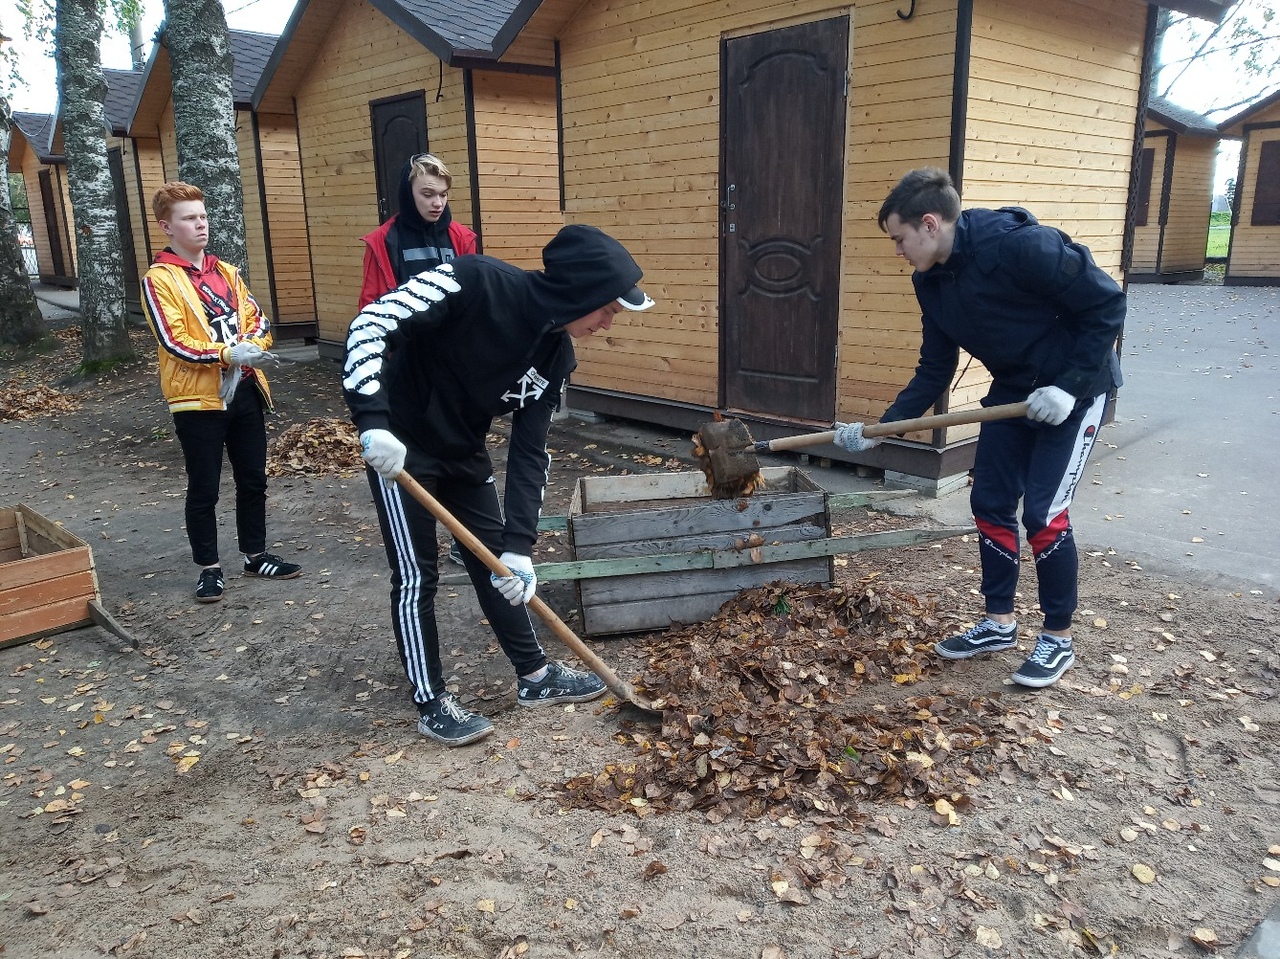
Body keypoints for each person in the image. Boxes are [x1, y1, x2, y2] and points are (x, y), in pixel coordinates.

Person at [343, 223, 655, 745]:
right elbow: (372, 324)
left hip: (463, 449)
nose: (607, 323)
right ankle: (431, 701)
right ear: (582, 291)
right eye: (608, 310)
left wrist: (520, 548)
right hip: (400, 447)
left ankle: (535, 677)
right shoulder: (474, 280)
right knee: (417, 575)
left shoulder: (555, 355)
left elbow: (531, 452)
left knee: (496, 564)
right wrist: (373, 419)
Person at [834, 168, 1124, 688]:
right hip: (1013, 393)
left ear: (929, 223)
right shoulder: (931, 282)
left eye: (899, 239)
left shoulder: (1022, 248)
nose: (898, 251)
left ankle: (1057, 638)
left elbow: (1106, 304)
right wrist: (881, 429)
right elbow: (934, 368)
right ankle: (998, 624)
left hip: (1076, 389)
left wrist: (1069, 385)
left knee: (1044, 513)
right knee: (989, 503)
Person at [141, 181, 302, 603]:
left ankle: (255, 554)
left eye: (203, 216)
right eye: (189, 218)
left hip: (246, 391)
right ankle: (208, 568)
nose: (201, 224)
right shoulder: (158, 280)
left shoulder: (228, 271)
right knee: (204, 487)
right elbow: (173, 341)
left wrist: (252, 348)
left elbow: (259, 321)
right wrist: (228, 354)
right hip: (197, 401)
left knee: (253, 479)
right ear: (167, 227)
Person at [359, 152, 477, 567]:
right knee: (415, 456)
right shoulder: (385, 240)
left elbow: (475, 296)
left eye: (443, 195)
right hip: (405, 369)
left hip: (454, 369)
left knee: (463, 453)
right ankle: (421, 541)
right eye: (427, 193)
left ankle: (469, 544)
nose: (436, 202)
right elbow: (371, 307)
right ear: (407, 193)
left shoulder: (461, 237)